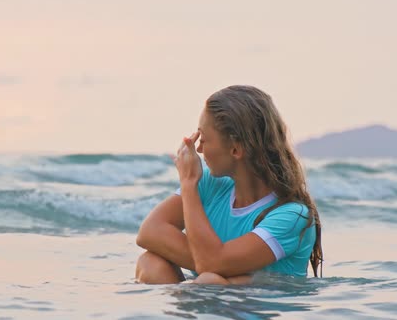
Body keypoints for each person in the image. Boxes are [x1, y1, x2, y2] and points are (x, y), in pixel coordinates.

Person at [135, 85, 323, 285]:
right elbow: (149, 232)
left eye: (204, 140)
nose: (198, 148)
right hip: (210, 298)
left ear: (235, 149)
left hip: (263, 310)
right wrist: (215, 266)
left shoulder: (293, 216)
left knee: (209, 280)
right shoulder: (210, 183)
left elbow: (210, 266)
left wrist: (188, 184)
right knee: (151, 262)